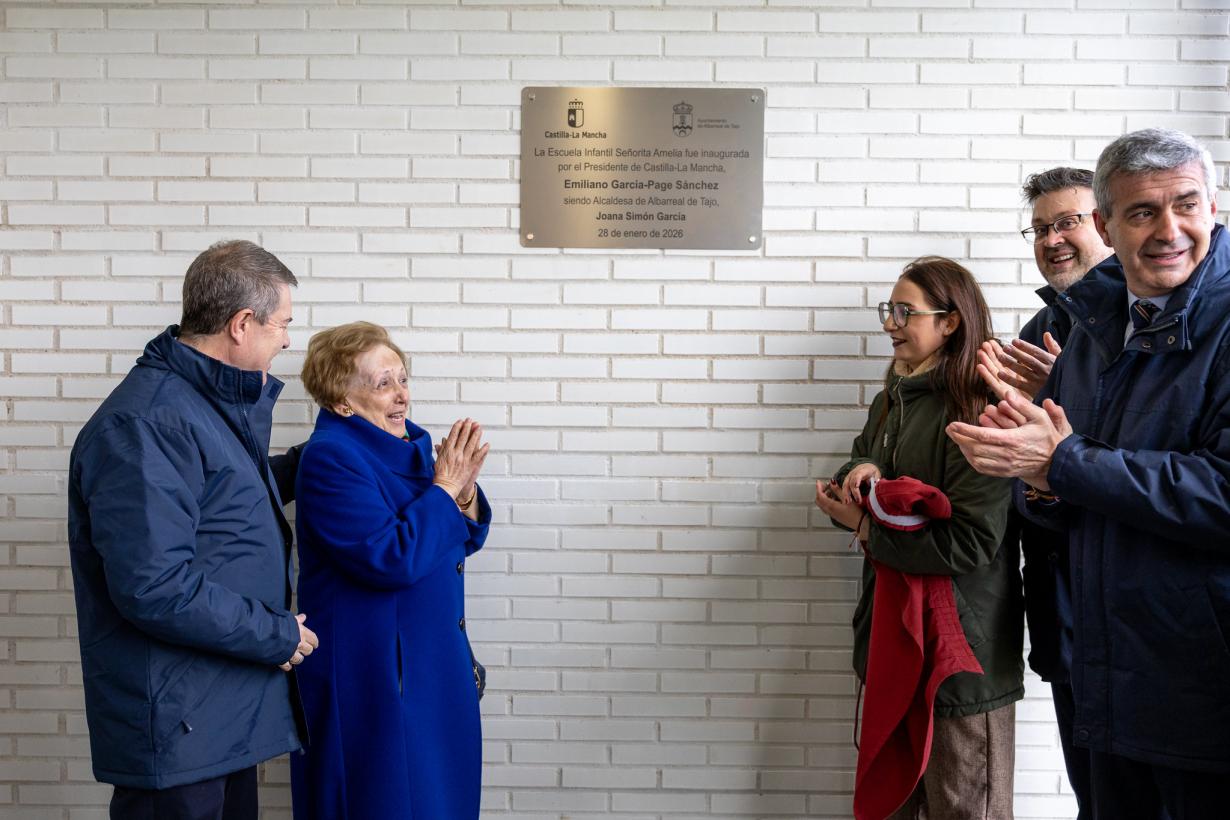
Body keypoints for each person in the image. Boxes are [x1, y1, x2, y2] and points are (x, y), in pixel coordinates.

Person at [948, 128, 1229, 819]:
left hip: (1205, 688)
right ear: (1111, 223)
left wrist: (1061, 463)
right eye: (1142, 213)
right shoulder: (1091, 327)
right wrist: (1039, 481)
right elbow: (1059, 492)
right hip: (1104, 668)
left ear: (1215, 207)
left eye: (1187, 206)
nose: (1169, 230)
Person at [67, 240, 319, 820]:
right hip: (178, 725)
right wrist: (274, 634)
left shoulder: (195, 405)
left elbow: (224, 501)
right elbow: (153, 585)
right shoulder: (147, 423)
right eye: (282, 323)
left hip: (215, 717)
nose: (286, 339)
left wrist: (331, 459)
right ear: (241, 324)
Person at [816, 257, 1024, 819]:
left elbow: (971, 545)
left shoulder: (980, 409)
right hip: (893, 643)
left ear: (951, 322)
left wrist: (863, 526)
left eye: (905, 311)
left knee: (966, 809)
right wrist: (859, 472)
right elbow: (861, 461)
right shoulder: (894, 399)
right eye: (889, 310)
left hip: (958, 661)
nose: (890, 323)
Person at [291, 321, 492, 820]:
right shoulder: (331, 459)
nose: (401, 396)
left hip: (432, 670)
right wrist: (445, 491)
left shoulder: (412, 450)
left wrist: (462, 495)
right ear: (341, 401)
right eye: (383, 384)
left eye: (402, 379)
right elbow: (391, 558)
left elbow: (458, 540)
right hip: (376, 682)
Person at [987, 166, 1113, 819]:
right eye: (1040, 228)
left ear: (1110, 224)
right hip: (1064, 609)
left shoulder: (1151, 324)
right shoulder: (1042, 327)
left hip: (1134, 617)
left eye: (1068, 221)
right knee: (1089, 790)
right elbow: (1028, 466)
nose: (1053, 239)